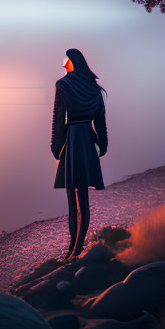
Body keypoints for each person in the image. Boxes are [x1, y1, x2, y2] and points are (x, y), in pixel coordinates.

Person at [51, 47, 108, 261]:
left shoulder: (63, 84)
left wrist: (56, 147)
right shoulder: (93, 87)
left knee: (71, 196)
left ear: (72, 62)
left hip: (73, 141)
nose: (63, 64)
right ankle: (77, 247)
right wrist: (103, 145)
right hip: (89, 141)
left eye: (65, 61)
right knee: (82, 196)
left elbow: (58, 119)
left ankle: (73, 248)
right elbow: (101, 121)